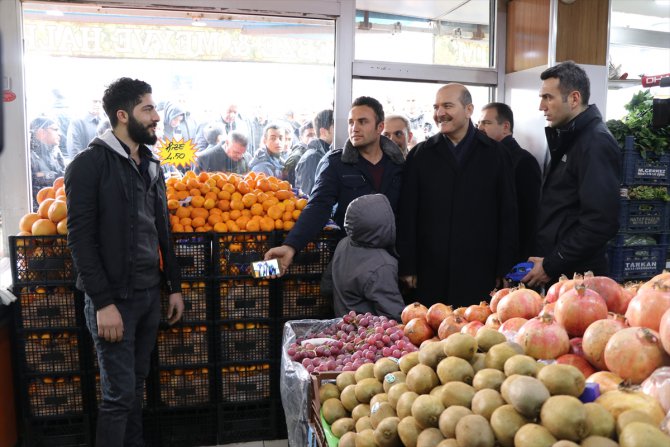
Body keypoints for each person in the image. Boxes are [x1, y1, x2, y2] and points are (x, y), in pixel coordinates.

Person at [64, 77, 184, 447]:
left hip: (149, 296)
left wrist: (174, 286)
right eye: (147, 108)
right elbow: (80, 240)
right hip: (114, 300)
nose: (156, 117)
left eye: (154, 108)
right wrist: (102, 303)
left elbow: (162, 230)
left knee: (134, 389)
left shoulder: (151, 164)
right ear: (122, 115)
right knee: (118, 396)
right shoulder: (89, 165)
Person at [397, 83, 518, 308]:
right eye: (436, 107)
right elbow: (407, 214)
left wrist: (505, 266)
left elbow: (507, 214)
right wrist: (408, 265)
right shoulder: (420, 155)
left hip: (481, 268)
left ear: (469, 110)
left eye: (447, 106)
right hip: (429, 269)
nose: (439, 113)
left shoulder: (496, 154)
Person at [264, 96, 404, 275]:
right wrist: (291, 246)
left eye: (362, 122)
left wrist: (409, 265)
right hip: (350, 263)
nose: (355, 128)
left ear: (380, 127)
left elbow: (408, 217)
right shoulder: (336, 164)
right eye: (351, 122)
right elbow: (318, 206)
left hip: (392, 262)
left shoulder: (398, 166)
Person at [522, 61, 621, 288]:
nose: (541, 106)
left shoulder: (595, 142)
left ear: (574, 99)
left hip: (578, 282)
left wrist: (552, 264)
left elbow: (600, 222)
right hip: (560, 273)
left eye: (548, 97)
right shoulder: (567, 137)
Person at [478, 102, 542, 261]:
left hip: (512, 260)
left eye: (486, 122)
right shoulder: (485, 159)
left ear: (505, 126)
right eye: (478, 123)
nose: (480, 128)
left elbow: (528, 221)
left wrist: (517, 267)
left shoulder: (524, 162)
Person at [327, 194, 405, 320]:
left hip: (344, 327)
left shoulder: (344, 244)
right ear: (385, 225)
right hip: (369, 334)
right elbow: (393, 316)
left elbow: (326, 286)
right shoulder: (382, 265)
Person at [295, 109, 334, 194]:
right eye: (336, 127)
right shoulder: (313, 158)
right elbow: (311, 196)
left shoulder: (327, 154)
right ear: (324, 132)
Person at [29, 116, 66, 208]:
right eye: (55, 129)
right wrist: (53, 175)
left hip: (56, 206)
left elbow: (63, 174)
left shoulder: (56, 152)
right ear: (41, 132)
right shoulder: (28, 154)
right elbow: (34, 178)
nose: (59, 134)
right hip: (39, 209)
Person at [284, 121, 315, 186]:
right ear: (301, 138)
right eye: (309, 135)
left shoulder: (314, 153)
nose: (313, 138)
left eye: (315, 135)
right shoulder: (297, 157)